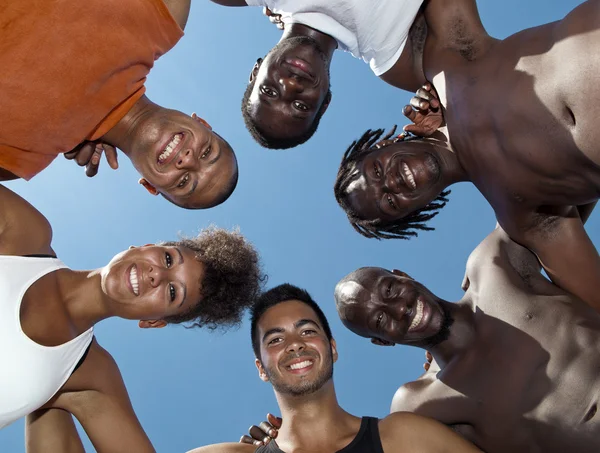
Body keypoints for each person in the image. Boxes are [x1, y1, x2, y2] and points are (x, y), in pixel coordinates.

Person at [334, 0, 600, 309]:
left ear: (385, 144)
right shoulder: (522, 216)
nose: (391, 183)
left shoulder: (447, 60)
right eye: (390, 202)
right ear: (413, 212)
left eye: (377, 172)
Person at [0, 183, 264, 451]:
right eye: (168, 259)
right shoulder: (22, 232)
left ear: (153, 321)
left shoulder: (90, 376)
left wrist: (270, 449)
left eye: (172, 292)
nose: (157, 275)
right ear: (143, 246)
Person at [333, 223, 600, 452]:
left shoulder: (493, 265)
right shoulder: (420, 405)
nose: (400, 309)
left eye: (390, 289)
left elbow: (563, 181)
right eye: (380, 320)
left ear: (403, 276)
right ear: (383, 341)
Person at [0, 0, 238, 209]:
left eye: (183, 182)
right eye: (207, 152)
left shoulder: (17, 158)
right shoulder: (166, 12)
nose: (187, 160)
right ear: (202, 122)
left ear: (149, 186)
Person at [187, 284, 481, 453]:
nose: (294, 345)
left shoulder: (403, 437)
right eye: (276, 339)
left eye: (307, 331)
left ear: (333, 348)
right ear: (261, 368)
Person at [210, 0, 426, 149]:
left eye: (269, 91)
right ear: (325, 103)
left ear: (256, 71)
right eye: (300, 106)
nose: (291, 85)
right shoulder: (393, 57)